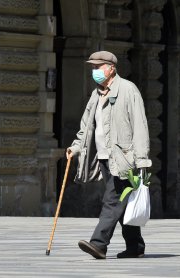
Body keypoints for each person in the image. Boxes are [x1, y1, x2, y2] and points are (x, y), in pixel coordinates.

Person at [66, 50, 152, 259]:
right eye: (93, 67)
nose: (94, 71)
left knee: (112, 200)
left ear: (111, 68)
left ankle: (99, 244)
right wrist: (75, 147)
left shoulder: (128, 90)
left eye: (98, 67)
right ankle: (135, 246)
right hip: (104, 158)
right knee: (121, 204)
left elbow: (140, 126)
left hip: (124, 159)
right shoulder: (96, 95)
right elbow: (86, 127)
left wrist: (141, 159)